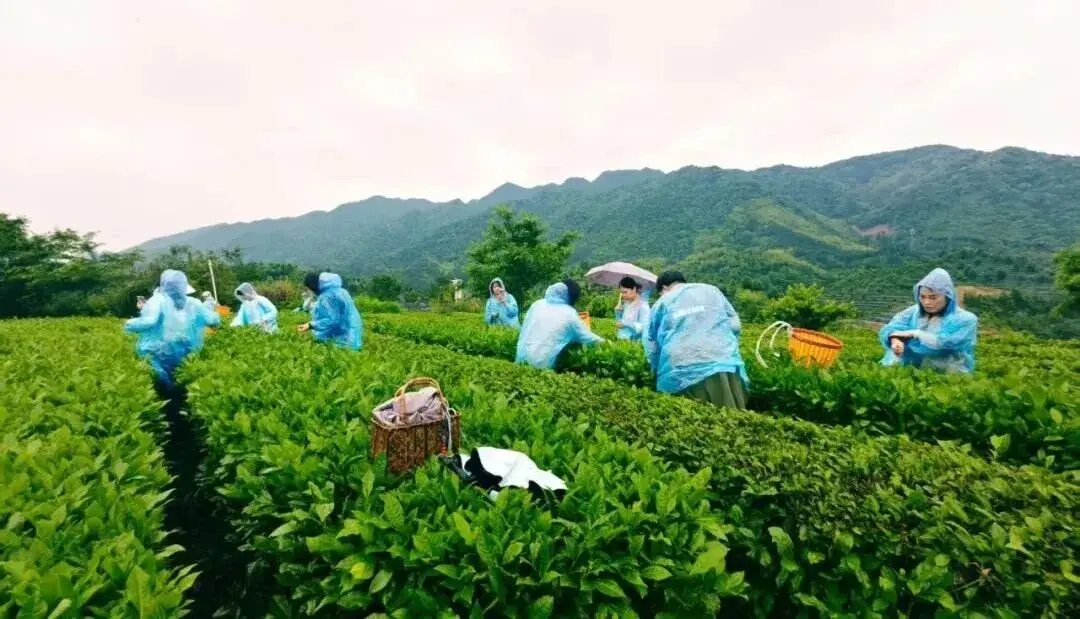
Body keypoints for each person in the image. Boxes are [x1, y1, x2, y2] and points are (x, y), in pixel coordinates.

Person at [646, 271, 748, 409]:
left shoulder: (662, 302)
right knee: (729, 415)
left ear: (664, 288)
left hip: (680, 366)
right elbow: (736, 326)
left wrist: (655, 368)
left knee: (691, 416)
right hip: (721, 360)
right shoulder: (712, 291)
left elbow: (652, 342)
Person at [123, 269, 221, 385]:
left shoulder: (158, 300)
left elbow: (148, 322)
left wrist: (129, 324)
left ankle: (167, 394)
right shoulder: (194, 302)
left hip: (160, 350)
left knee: (163, 379)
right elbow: (212, 320)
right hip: (186, 347)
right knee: (183, 375)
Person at [879, 268, 978, 374]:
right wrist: (896, 340)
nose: (926, 302)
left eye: (933, 297)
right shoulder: (914, 311)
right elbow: (892, 327)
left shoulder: (966, 319)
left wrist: (916, 333)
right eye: (922, 297)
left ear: (947, 296)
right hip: (911, 368)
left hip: (948, 373)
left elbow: (946, 343)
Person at [515, 279, 604, 369]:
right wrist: (606, 342)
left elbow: (525, 329)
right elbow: (587, 337)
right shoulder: (569, 313)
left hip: (521, 359)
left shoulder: (537, 304)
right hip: (541, 365)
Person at [298, 272, 363, 350]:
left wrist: (310, 325)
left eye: (309, 288)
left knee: (339, 357)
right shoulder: (341, 291)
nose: (310, 291)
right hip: (352, 332)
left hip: (342, 336)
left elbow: (331, 320)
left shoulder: (327, 297)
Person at [614, 276, 650, 342]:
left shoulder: (643, 306)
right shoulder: (626, 303)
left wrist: (627, 324)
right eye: (621, 292)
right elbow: (619, 325)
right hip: (622, 341)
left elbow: (644, 328)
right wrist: (618, 312)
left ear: (634, 289)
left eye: (625, 292)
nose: (623, 295)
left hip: (635, 344)